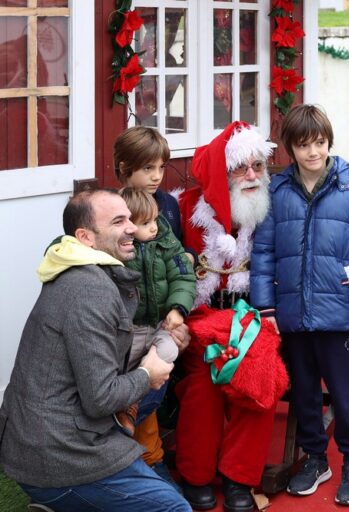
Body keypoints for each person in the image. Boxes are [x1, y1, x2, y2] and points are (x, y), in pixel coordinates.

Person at [0, 189, 190, 512]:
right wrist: (148, 373)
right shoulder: (90, 290)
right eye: (119, 221)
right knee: (175, 509)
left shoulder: (77, 270)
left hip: (38, 440)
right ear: (85, 237)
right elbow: (101, 397)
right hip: (57, 456)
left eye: (130, 218)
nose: (132, 227)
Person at [250, 104, 349, 505]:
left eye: (320, 143)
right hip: (293, 313)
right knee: (305, 391)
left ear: (329, 142)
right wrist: (266, 307)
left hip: (338, 311)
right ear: (289, 149)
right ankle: (314, 457)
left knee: (346, 393)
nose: (313, 152)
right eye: (303, 145)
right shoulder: (277, 193)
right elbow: (263, 253)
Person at [174, 121, 282, 512]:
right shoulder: (187, 208)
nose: (252, 176)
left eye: (258, 166)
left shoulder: (268, 208)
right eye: (241, 168)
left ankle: (239, 477)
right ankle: (195, 474)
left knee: (258, 375)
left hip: (252, 315)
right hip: (202, 316)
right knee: (205, 380)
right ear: (223, 173)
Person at [113, 125, 191, 484]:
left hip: (159, 324)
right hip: (121, 330)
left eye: (161, 168)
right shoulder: (110, 213)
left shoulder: (166, 210)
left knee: (155, 373)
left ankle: (149, 457)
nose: (156, 176)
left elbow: (179, 266)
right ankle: (128, 451)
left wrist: (179, 309)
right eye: (148, 169)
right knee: (137, 380)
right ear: (125, 167)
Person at [114, 187, 196, 437]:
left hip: (158, 324)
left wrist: (178, 308)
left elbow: (183, 275)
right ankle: (121, 409)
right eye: (146, 223)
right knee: (122, 367)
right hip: (131, 327)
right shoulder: (121, 250)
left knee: (169, 352)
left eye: (155, 219)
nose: (154, 227)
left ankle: (133, 405)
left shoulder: (167, 243)